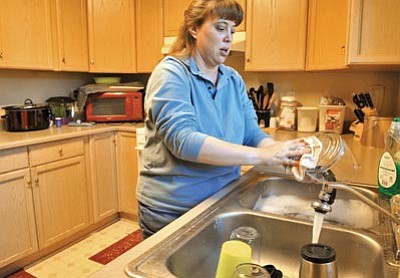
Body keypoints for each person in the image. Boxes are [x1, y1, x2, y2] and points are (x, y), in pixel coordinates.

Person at [136, 0, 309, 239]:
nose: (229, 37)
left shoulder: (233, 79)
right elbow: (183, 141)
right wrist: (262, 155)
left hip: (220, 201)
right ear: (194, 29)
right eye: (220, 28)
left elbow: (251, 133)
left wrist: (280, 150)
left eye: (232, 30)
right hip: (173, 211)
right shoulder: (171, 73)